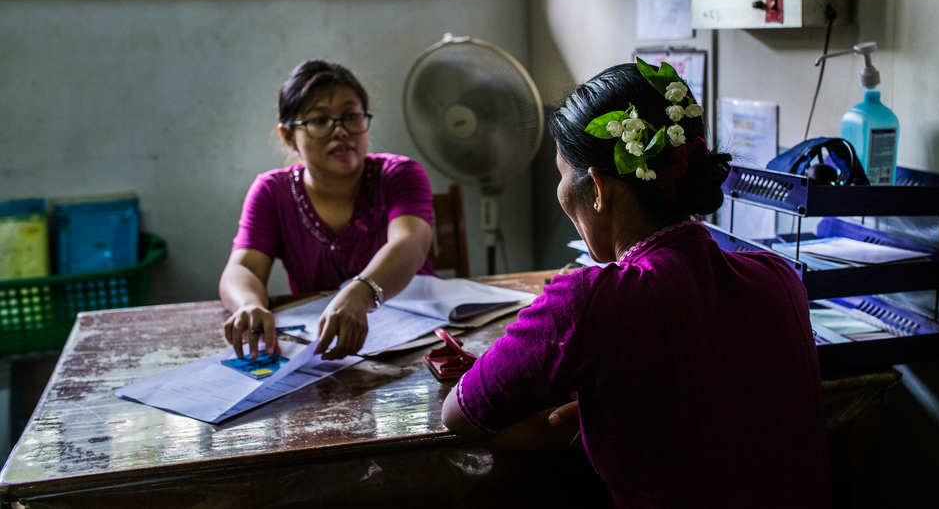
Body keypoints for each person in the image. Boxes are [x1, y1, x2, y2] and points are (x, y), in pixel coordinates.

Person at [442, 62, 831, 507]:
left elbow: (462, 414)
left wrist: (589, 423)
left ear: (598, 188)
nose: (560, 190)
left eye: (562, 173)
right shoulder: (779, 278)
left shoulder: (588, 302)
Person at [219, 60, 436, 361]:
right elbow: (243, 269)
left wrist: (361, 293)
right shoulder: (272, 193)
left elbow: (410, 243)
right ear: (288, 135)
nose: (341, 131)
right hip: (326, 355)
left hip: (418, 346)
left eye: (351, 116)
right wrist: (248, 305)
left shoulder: (399, 175)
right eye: (320, 120)